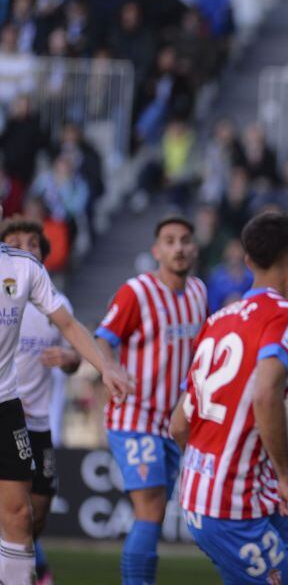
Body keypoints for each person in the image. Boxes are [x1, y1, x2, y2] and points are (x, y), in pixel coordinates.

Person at [169, 211, 288, 584]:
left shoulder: (219, 318)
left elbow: (178, 425)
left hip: (220, 492)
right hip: (231, 505)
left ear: (249, 261)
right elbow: (267, 393)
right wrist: (287, 480)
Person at [0, 207, 129, 585]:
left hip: (9, 407)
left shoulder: (24, 269)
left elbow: (69, 325)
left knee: (24, 516)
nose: (27, 246)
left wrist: (106, 368)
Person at [94, 215, 207, 585]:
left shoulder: (198, 292)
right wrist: (110, 369)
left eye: (185, 240)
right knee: (150, 508)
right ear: (157, 250)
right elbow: (103, 337)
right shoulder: (137, 292)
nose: (179, 247)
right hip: (134, 417)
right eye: (170, 241)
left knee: (155, 514)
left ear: (194, 248)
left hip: (174, 423)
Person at [2, 220, 81, 584]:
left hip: (40, 422)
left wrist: (70, 360)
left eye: (32, 243)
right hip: (10, 415)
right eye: (15, 242)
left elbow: (74, 355)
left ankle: (24, 564)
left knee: (39, 513)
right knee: (17, 512)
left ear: (43, 256)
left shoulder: (56, 304)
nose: (24, 248)